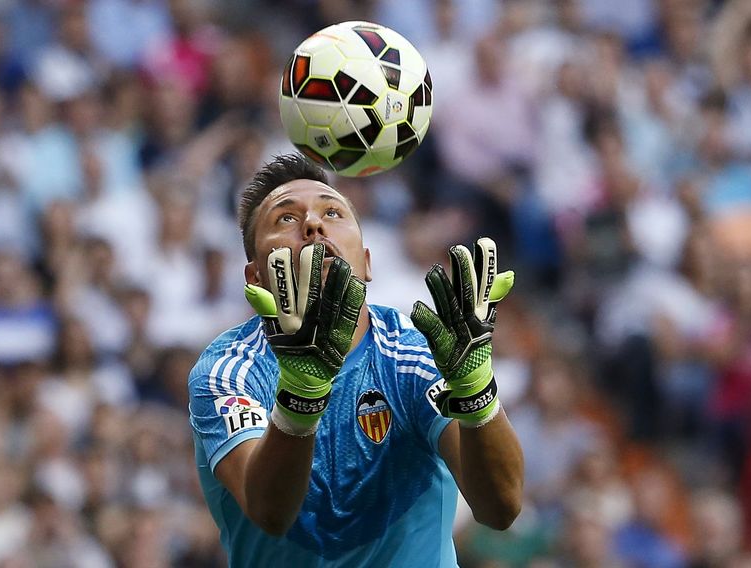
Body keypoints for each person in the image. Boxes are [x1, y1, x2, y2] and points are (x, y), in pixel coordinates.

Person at [188, 153, 524, 567]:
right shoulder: (229, 372)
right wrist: (301, 396)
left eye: (332, 212)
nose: (313, 224)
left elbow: (500, 509)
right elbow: (271, 513)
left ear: (366, 263)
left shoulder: (413, 354)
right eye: (286, 219)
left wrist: (476, 396)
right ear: (255, 276)